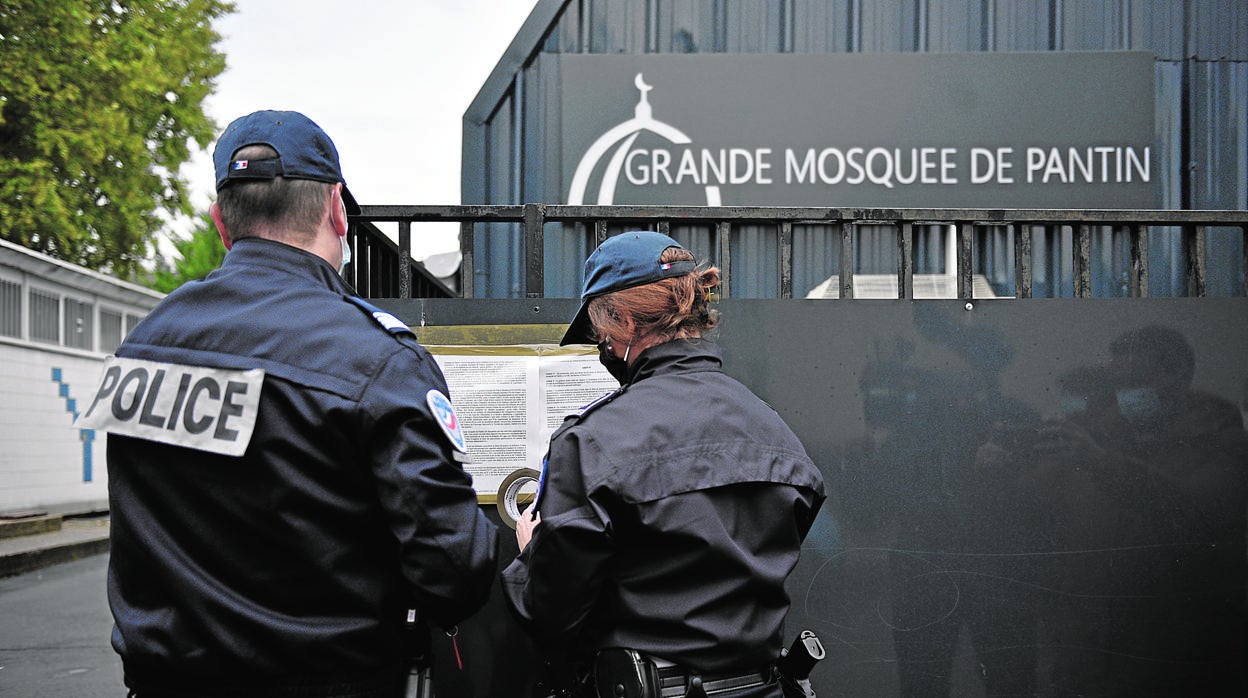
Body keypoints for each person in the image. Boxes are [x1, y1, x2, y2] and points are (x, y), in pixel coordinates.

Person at [92, 110, 499, 697]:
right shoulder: (376, 357)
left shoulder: (146, 339)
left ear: (221, 222)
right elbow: (453, 574)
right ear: (337, 208)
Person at [500, 231, 826, 698]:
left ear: (627, 323)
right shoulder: (774, 430)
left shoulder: (591, 441)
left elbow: (550, 614)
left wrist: (532, 551)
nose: (603, 346)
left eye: (599, 332)